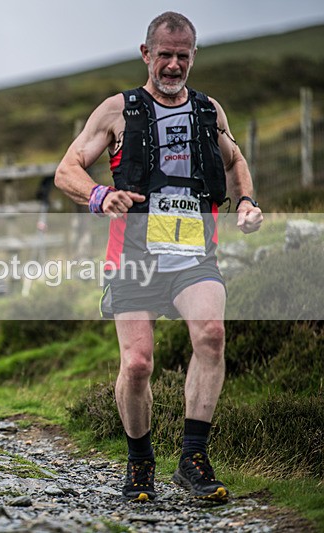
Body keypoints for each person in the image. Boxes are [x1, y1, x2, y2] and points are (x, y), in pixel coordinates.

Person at [54, 12, 263, 502]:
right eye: (164, 55)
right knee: (139, 364)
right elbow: (67, 169)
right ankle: (140, 462)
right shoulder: (116, 110)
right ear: (146, 54)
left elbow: (234, 160)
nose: (173, 66)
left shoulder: (210, 111)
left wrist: (248, 201)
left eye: (183, 56)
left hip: (194, 255)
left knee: (211, 335)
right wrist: (100, 196)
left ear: (193, 56)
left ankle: (192, 459)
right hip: (134, 258)